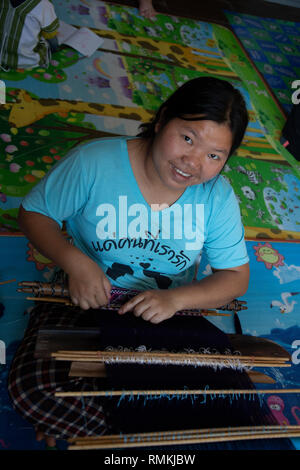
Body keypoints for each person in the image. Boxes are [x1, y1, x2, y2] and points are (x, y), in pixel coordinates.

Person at [8, 76, 250, 448]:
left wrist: (176, 300)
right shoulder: (95, 162)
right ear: (162, 119)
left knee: (224, 403)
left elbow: (234, 277)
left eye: (214, 155)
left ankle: (114, 438)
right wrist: (77, 263)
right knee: (33, 389)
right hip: (86, 298)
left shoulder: (216, 197)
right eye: (187, 137)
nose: (193, 162)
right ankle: (153, 443)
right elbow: (34, 213)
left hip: (166, 315)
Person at [0, 0, 59, 71]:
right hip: (28, 61)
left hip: (1, 55)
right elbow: (50, 34)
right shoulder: (44, 4)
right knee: (51, 41)